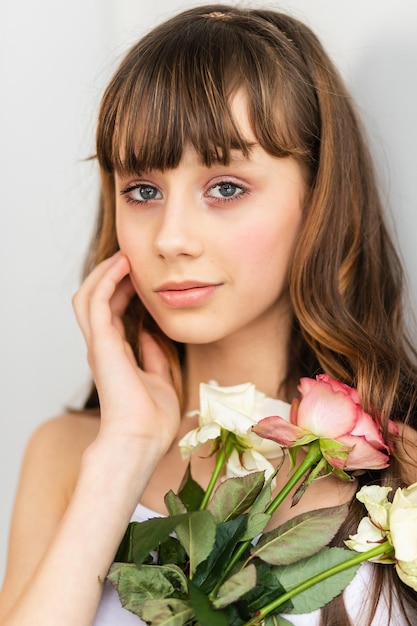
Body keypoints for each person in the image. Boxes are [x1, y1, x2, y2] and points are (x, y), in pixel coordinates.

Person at [1, 4, 416, 625]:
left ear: (320, 200)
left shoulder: (407, 465)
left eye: (225, 187)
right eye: (142, 190)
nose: (169, 238)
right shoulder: (68, 455)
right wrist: (125, 449)